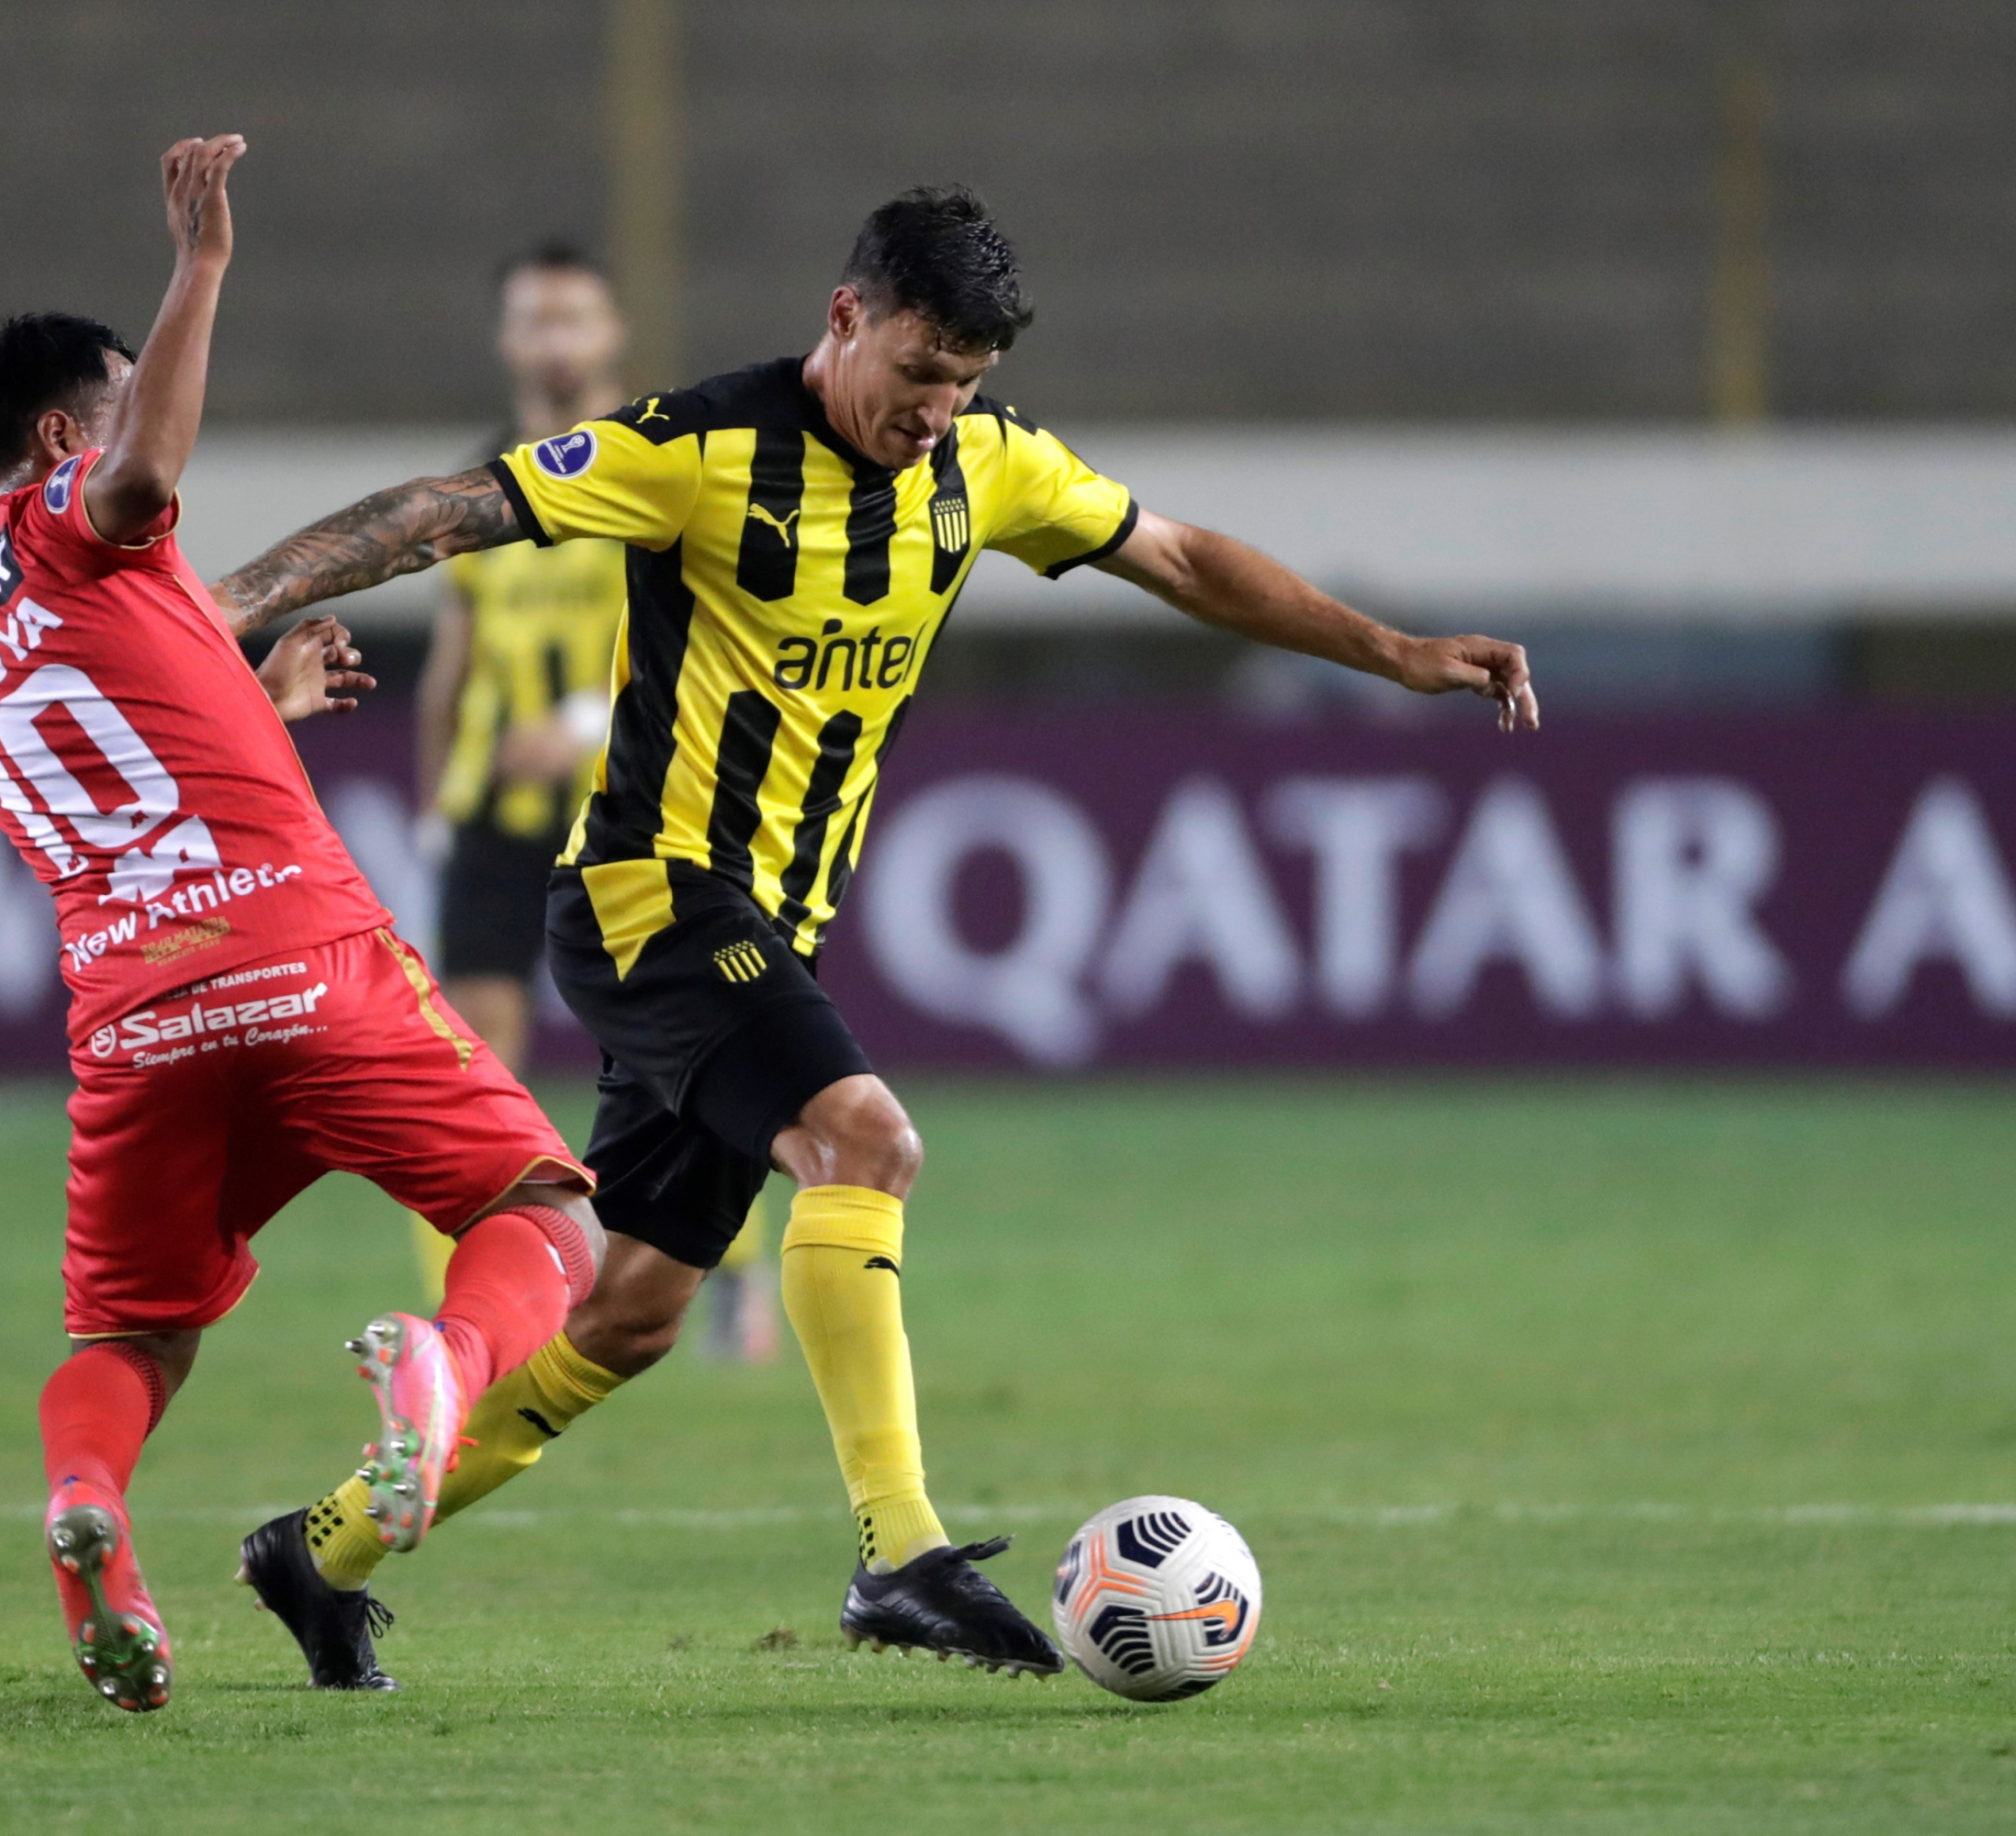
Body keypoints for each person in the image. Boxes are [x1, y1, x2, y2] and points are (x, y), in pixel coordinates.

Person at [216, 185, 1539, 1678]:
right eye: (917, 372)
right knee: (864, 1143)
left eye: (962, 382)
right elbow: (448, 511)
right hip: (651, 892)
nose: (935, 409)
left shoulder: (985, 465)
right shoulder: (696, 448)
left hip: (772, 923)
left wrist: (1394, 652)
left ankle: (312, 1554)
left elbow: (1173, 556)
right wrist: (225, 608)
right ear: (842, 318)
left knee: (636, 1310)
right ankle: (894, 1552)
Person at [0, 135, 605, 1709]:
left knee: (135, 1339)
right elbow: (141, 478)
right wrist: (199, 267)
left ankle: (86, 1511)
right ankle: (438, 1366)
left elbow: (135, 758)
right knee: (545, 1211)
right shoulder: (74, 513)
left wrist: (258, 704)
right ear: (52, 437)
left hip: (133, 1020)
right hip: (305, 966)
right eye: (102, 414)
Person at [407, 243, 781, 1360]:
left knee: (684, 1049)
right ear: (508, 341)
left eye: (574, 317)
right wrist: (434, 811)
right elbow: (450, 663)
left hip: (636, 805)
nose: (556, 339)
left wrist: (575, 724)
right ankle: (469, 1310)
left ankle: (729, 1275)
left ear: (611, 332)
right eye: (535, 320)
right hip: (494, 817)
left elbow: (711, 629)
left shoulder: (657, 464)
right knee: (469, 1061)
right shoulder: (477, 488)